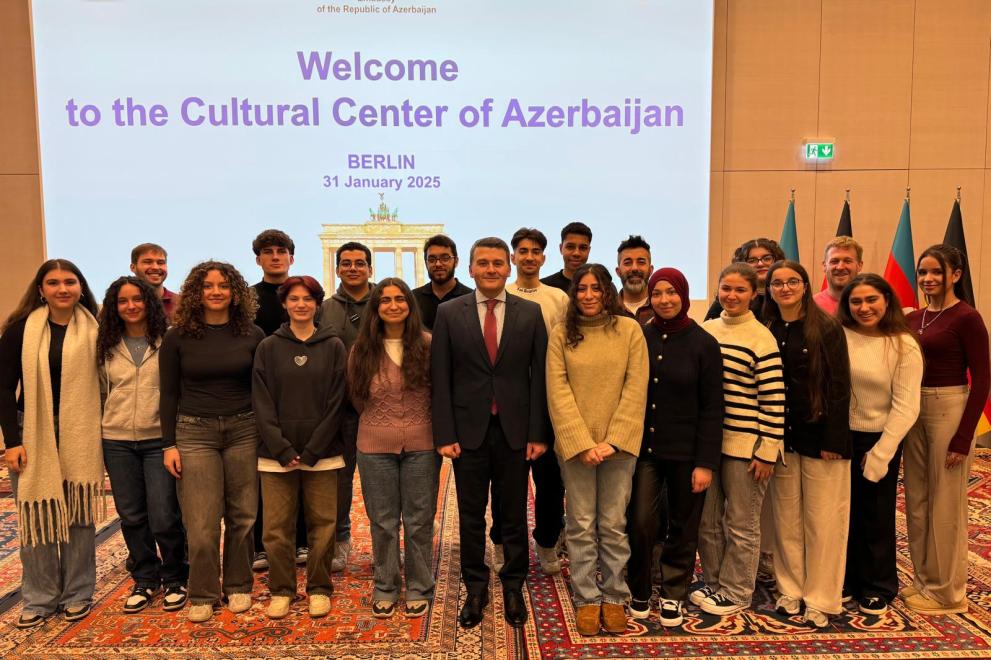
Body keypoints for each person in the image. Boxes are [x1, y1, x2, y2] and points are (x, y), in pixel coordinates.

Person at [431, 237, 548, 630]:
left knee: (513, 514)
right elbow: (440, 378)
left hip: (516, 432)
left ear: (509, 268)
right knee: (470, 516)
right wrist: (445, 433)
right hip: (468, 432)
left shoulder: (530, 314)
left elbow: (540, 379)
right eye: (484, 263)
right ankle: (475, 587)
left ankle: (514, 585)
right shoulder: (449, 313)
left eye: (499, 263)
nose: (492, 269)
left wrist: (538, 432)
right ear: (471, 269)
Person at [160, 261, 265, 623]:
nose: (216, 292)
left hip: (244, 430)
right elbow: (168, 394)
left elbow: (262, 390)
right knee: (201, 523)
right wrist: (168, 444)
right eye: (208, 286)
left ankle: (238, 586)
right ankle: (203, 591)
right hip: (194, 433)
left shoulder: (253, 334)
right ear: (196, 292)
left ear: (236, 292)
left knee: (244, 515)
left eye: (223, 285)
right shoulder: (177, 337)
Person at [0, 259, 102, 628]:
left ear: (81, 287)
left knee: (78, 514)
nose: (63, 288)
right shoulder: (19, 331)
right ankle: (40, 598)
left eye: (70, 281)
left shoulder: (97, 329)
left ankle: (77, 593)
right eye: (54, 282)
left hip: (81, 429)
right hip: (33, 430)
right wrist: (12, 441)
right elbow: (3, 388)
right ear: (40, 289)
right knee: (37, 513)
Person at [547, 263, 647, 635]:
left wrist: (612, 441)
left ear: (608, 290)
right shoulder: (561, 334)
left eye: (596, 288)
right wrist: (582, 444)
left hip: (619, 448)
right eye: (582, 289)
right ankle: (587, 598)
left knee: (613, 524)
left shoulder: (630, 331)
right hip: (576, 449)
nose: (588, 295)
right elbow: (557, 393)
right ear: (574, 295)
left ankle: (615, 595)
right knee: (581, 524)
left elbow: (635, 389)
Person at [626, 268, 722, 627]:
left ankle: (672, 594)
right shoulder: (640, 337)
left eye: (672, 293)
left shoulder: (703, 343)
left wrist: (705, 462)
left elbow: (713, 408)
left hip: (688, 454)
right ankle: (639, 588)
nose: (664, 299)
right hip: (646, 452)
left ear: (683, 294)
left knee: (683, 525)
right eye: (657, 293)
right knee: (640, 522)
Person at [252, 275, 346, 619]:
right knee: (276, 528)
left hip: (322, 454)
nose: (301, 304)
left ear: (317, 303)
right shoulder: (268, 346)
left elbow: (337, 402)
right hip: (275, 455)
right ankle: (281, 589)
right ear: (285, 304)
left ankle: (319, 588)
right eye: (294, 299)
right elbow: (261, 402)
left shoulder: (334, 345)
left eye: (308, 298)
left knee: (323, 525)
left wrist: (313, 450)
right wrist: (280, 447)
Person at [694, 263, 785, 616]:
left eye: (740, 290)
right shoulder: (708, 330)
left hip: (746, 447)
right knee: (708, 520)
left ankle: (737, 591)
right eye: (726, 288)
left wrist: (767, 451)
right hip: (709, 444)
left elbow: (774, 400)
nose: (731, 296)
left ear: (753, 295)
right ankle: (715, 582)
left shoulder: (761, 338)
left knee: (741, 524)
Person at [763, 261, 851, 628]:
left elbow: (839, 384)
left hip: (821, 438)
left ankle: (821, 597)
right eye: (777, 283)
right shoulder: (765, 327)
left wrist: (834, 438)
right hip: (781, 438)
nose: (785, 288)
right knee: (785, 519)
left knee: (823, 521)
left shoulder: (826, 327)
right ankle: (790, 589)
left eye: (792, 282)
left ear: (804, 285)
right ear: (768, 289)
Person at [903, 245, 990, 615]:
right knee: (918, 500)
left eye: (936, 272)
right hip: (914, 408)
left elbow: (983, 379)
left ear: (956, 274)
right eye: (923, 272)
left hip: (949, 408)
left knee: (946, 503)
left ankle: (949, 593)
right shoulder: (914, 317)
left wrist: (963, 436)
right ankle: (925, 580)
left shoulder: (967, 317)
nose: (928, 279)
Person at [97, 276, 188, 614]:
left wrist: (173, 438)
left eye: (137, 299)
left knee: (164, 513)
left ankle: (176, 577)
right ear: (114, 307)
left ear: (148, 303)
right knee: (132, 514)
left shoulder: (169, 340)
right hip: (116, 439)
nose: (131, 306)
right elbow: (100, 392)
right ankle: (145, 579)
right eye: (123, 301)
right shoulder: (105, 344)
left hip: (158, 440)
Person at [350, 278, 438, 619]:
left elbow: (436, 393)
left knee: (419, 520)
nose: (393, 305)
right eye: (384, 300)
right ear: (376, 308)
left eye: (400, 299)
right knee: (383, 521)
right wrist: (382, 426)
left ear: (409, 305)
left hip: (422, 444)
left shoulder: (428, 344)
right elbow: (357, 397)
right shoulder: (361, 350)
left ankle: (419, 585)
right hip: (374, 446)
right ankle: (385, 584)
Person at [838, 274, 922, 616]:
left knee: (874, 513)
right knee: (841, 512)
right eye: (856, 301)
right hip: (841, 437)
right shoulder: (839, 336)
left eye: (871, 299)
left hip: (880, 438)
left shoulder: (904, 344)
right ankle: (843, 578)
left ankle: (877, 585)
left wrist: (883, 452)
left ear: (887, 301)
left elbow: (907, 406)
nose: (864, 307)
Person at [488, 227, 568, 575]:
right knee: (506, 482)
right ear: (513, 258)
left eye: (536, 252)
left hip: (549, 402)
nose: (529, 257)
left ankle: (547, 542)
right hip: (510, 404)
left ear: (544, 258)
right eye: (523, 251)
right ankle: (502, 541)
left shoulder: (558, 298)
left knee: (551, 483)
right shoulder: (500, 294)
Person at [249, 229, 309, 573]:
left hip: (302, 397)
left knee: (303, 470)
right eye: (268, 252)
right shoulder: (249, 298)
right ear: (258, 259)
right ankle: (260, 545)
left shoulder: (304, 292)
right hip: (263, 393)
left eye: (281, 251)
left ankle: (302, 540)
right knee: (265, 474)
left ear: (291, 257)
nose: (275, 256)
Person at [319, 241, 375, 573]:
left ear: (370, 268)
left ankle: (385, 544)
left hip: (377, 406)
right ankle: (340, 540)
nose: (353, 268)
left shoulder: (387, 301)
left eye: (359, 263)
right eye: (346, 263)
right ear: (338, 268)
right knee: (339, 479)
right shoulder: (324, 308)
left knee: (379, 481)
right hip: (337, 408)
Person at [704, 238, 785, 322]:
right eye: (752, 260)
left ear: (777, 260)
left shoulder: (785, 295)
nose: (760, 264)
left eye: (767, 258)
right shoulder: (728, 299)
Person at [412, 234, 472, 330]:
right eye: (432, 259)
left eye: (445, 258)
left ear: (456, 261)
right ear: (426, 263)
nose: (438, 264)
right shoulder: (413, 298)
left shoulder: (471, 298)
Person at [130, 243, 180, 324]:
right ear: (133, 267)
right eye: (148, 262)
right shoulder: (122, 306)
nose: (155, 267)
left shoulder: (181, 304)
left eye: (160, 263)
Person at [813, 237, 863, 315]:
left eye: (847, 261)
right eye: (834, 261)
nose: (840, 267)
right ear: (824, 266)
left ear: (859, 265)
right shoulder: (810, 306)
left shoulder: (869, 305)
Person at [541, 221, 593, 292]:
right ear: (561, 248)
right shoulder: (544, 287)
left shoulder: (603, 287)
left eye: (582, 248)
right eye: (570, 247)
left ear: (589, 251)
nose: (576, 253)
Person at [615, 235, 654, 323]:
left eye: (641, 262)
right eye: (628, 263)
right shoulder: (608, 310)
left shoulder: (661, 307)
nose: (634, 268)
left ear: (650, 270)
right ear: (618, 271)